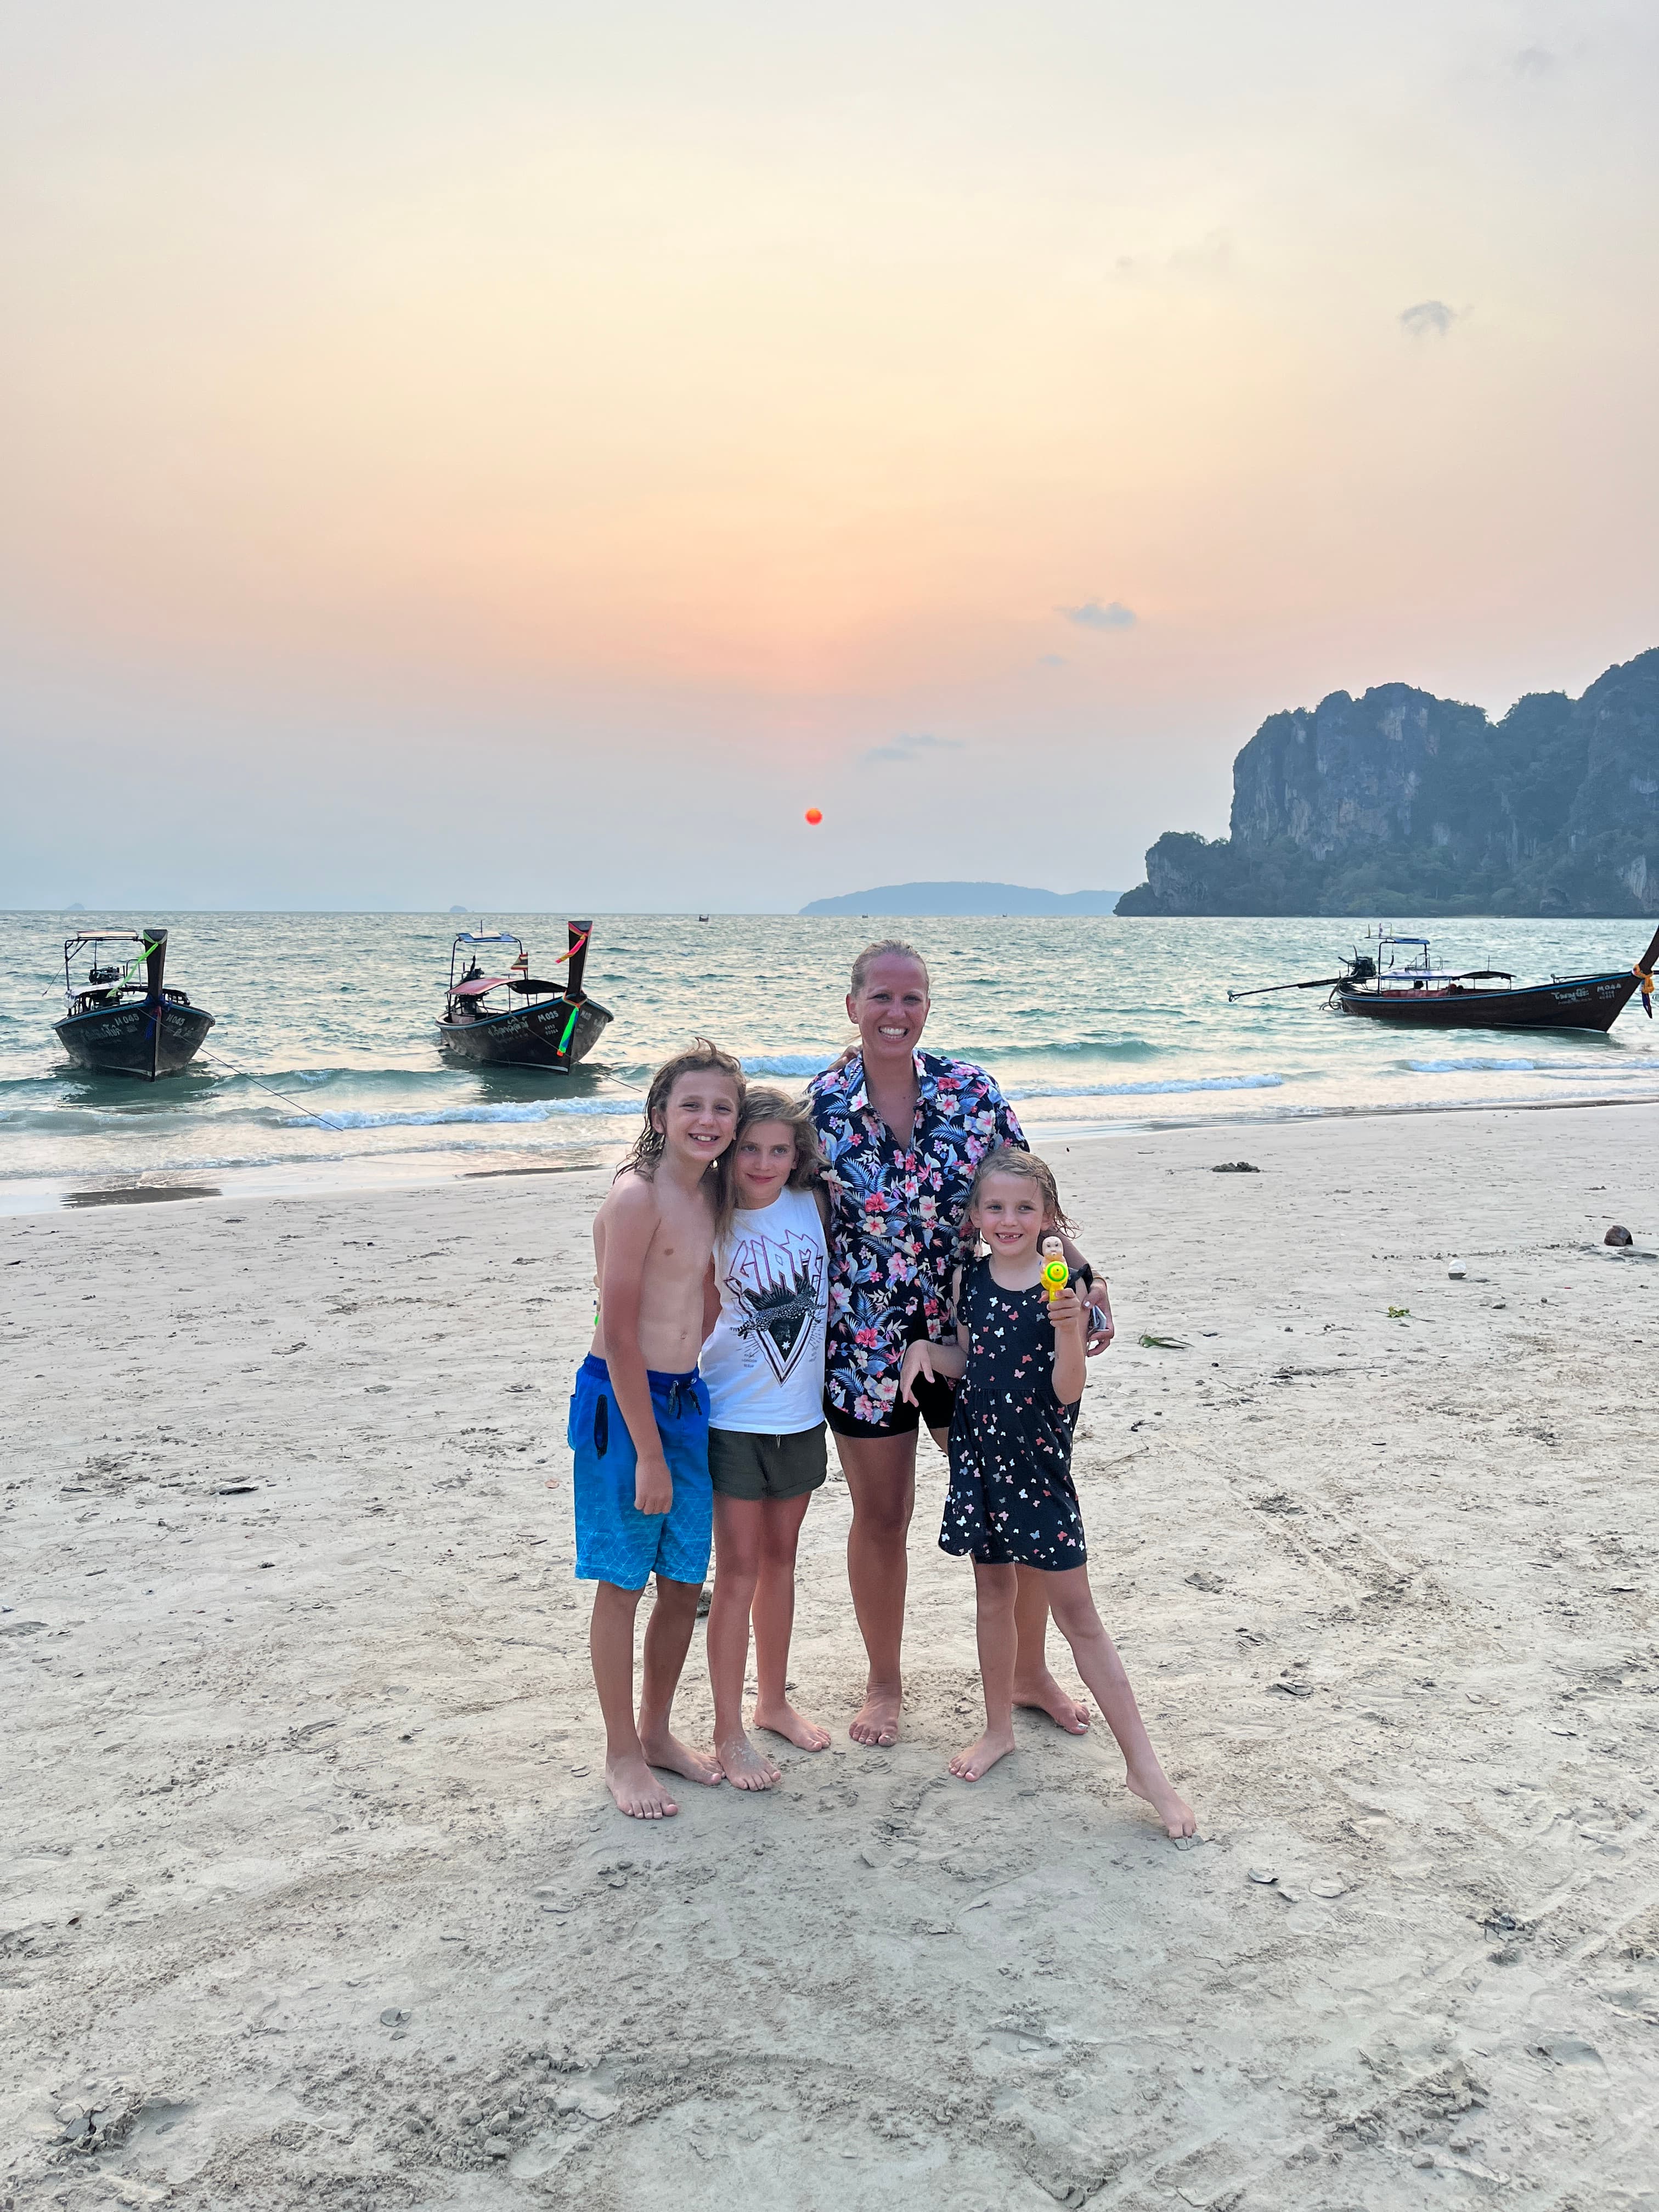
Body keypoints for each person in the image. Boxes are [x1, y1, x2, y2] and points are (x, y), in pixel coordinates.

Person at [809, 940, 1114, 1748]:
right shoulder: (823, 1107)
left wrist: (1082, 1275)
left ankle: (1029, 1672)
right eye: (880, 997)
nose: (896, 1013)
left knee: (1018, 1503)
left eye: (911, 999)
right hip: (862, 1343)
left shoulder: (970, 1091)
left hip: (969, 1331)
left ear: (928, 1008)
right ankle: (884, 1681)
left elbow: (1031, 1193)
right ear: (852, 1007)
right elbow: (769, 1202)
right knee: (882, 1514)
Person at [900, 1146, 1195, 1836]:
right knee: (992, 1598)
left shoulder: (1063, 1289)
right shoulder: (970, 1281)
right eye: (996, 1208)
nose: (1009, 1220)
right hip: (979, 1464)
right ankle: (998, 1727)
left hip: (1037, 1471)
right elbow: (970, 1361)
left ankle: (1144, 1766)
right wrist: (924, 1351)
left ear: (1049, 1217)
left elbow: (1067, 1392)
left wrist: (1069, 1334)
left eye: (1024, 1208)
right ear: (974, 1217)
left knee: (1079, 1616)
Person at [571, 1039, 744, 1819]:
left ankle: (658, 1732)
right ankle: (620, 1752)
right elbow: (621, 1329)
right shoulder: (638, 1196)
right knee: (622, 1581)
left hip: (686, 1398)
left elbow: (704, 1295)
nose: (707, 1121)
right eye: (692, 1106)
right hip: (623, 1403)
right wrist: (648, 1452)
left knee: (682, 1581)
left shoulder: (714, 1195)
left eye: (722, 1109)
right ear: (660, 1113)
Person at [700, 1087, 834, 1790]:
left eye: (779, 1150)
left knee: (782, 1562)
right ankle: (728, 1733)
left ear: (797, 1156)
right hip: (732, 1418)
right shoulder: (709, 1213)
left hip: (800, 1418)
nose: (762, 1162)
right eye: (750, 1147)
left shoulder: (813, 1205)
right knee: (739, 1573)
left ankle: (772, 1700)